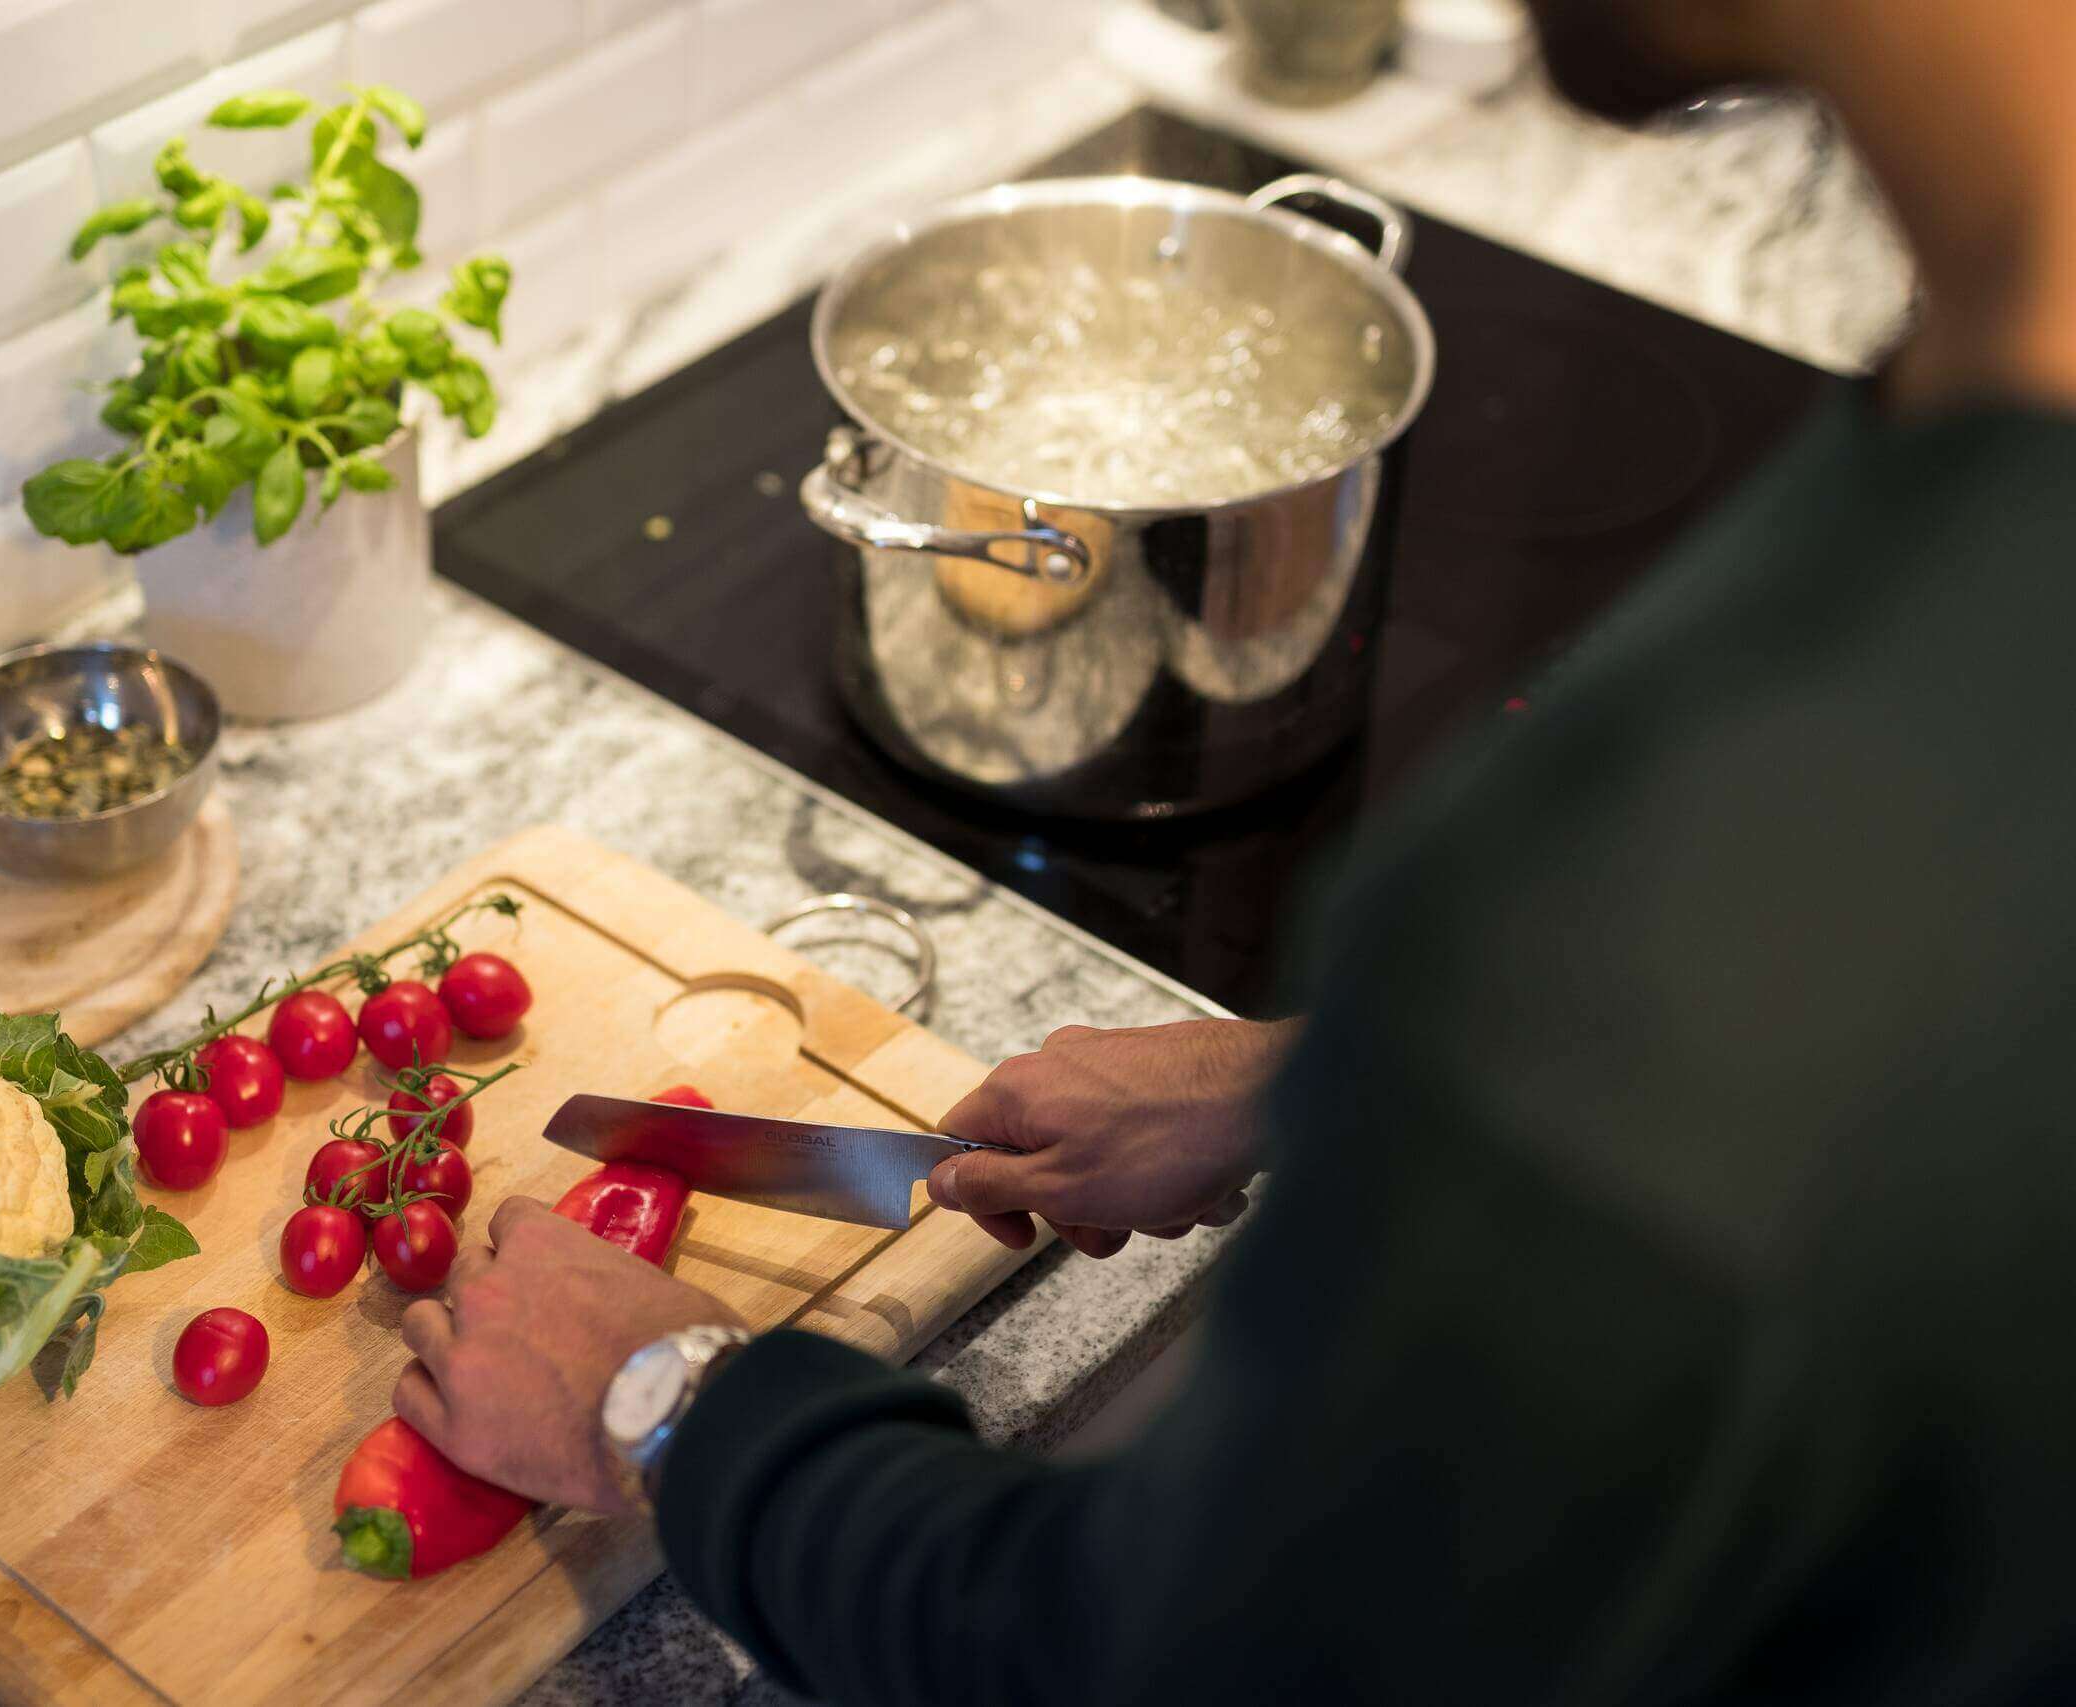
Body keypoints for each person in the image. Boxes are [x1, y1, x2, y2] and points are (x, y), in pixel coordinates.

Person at [391, 0, 2076, 1697]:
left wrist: (673, 1407)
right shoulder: (1986, 434)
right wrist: (1316, 1081)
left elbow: (1158, 1671)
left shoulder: (1631, 959)